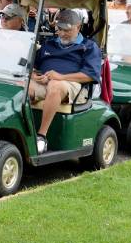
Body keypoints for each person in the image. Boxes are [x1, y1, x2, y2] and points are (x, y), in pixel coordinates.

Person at [29, 9, 101, 154]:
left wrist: (60, 77)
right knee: (21, 85)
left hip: (73, 85)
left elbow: (89, 75)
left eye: (66, 30)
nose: (61, 33)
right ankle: (22, 132)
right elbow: (30, 66)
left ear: (78, 27)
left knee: (55, 86)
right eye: (59, 29)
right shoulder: (49, 44)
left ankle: (41, 136)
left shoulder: (89, 46)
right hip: (44, 81)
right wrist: (33, 76)